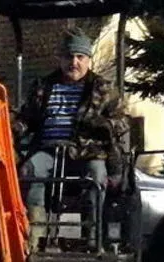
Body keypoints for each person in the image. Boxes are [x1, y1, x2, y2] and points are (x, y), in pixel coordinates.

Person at [15, 30, 130, 237]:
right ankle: (36, 236)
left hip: (87, 151)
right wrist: (13, 129)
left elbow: (121, 123)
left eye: (80, 57)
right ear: (60, 58)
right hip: (48, 149)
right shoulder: (44, 86)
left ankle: (92, 238)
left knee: (96, 176)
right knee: (30, 170)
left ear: (88, 60)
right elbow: (27, 118)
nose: (74, 62)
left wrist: (102, 125)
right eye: (69, 56)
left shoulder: (102, 88)